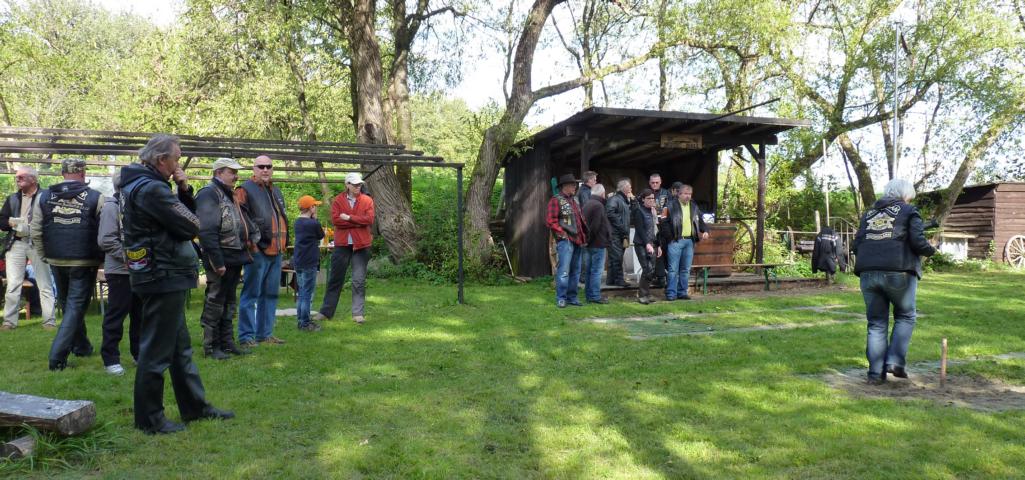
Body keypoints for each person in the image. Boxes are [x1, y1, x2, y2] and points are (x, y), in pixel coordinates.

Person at [120, 134, 233, 434]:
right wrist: (183, 191)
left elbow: (183, 220)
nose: (178, 165)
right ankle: (150, 419)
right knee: (156, 351)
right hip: (162, 272)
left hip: (159, 271)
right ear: (161, 160)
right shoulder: (152, 189)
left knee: (180, 349)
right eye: (176, 158)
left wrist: (183, 189)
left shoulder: (139, 184)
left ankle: (195, 407)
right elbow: (192, 224)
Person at [852, 178, 936, 385]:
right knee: (906, 316)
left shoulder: (869, 214)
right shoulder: (909, 211)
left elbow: (856, 245)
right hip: (899, 271)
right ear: (905, 195)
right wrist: (931, 250)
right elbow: (918, 242)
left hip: (868, 273)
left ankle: (875, 374)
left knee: (876, 323)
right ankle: (895, 362)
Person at [37, 158, 105, 370]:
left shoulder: (43, 196)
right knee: (75, 306)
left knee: (68, 305)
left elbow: (35, 229)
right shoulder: (96, 197)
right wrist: (101, 258)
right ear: (83, 173)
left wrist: (44, 255)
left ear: (62, 173)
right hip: (84, 260)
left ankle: (82, 346)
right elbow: (103, 231)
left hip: (56, 259)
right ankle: (57, 357)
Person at [196, 158, 254, 360]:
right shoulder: (208, 193)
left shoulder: (228, 193)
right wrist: (217, 261)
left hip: (234, 256)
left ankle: (227, 343)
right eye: (232, 172)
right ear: (219, 173)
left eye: (236, 172)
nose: (236, 176)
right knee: (215, 301)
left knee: (229, 301)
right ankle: (211, 346)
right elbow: (206, 230)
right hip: (220, 257)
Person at [235, 155, 289, 346]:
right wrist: (252, 245)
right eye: (261, 166)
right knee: (251, 295)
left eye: (268, 166)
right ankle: (246, 336)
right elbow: (240, 219)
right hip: (257, 252)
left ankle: (265, 334)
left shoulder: (276, 190)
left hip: (277, 252)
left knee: (271, 295)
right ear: (254, 169)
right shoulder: (244, 189)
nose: (265, 169)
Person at [1, 166, 56, 331]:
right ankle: (9, 322)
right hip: (16, 243)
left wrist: (35, 229)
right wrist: (10, 222)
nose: (17, 180)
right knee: (13, 285)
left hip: (38, 243)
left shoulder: (47, 196)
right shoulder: (12, 199)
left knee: (45, 284)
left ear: (33, 179)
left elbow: (53, 220)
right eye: (16, 177)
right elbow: (1, 221)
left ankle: (49, 321)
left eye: (21, 177)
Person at [316, 173, 375, 324]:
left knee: (358, 280)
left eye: (359, 184)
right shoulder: (338, 200)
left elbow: (369, 219)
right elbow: (336, 221)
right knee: (335, 279)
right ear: (347, 185)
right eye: (354, 184)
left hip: (361, 245)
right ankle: (326, 312)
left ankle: (358, 314)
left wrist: (349, 218)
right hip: (342, 245)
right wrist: (358, 222)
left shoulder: (367, 200)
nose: (358, 186)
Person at [97, 171, 140, 375]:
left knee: (140, 316)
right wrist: (130, 258)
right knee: (116, 315)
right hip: (120, 272)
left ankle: (139, 354)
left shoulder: (136, 206)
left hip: (140, 271)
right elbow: (106, 240)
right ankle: (111, 358)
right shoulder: (111, 207)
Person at [659, 182, 709, 301]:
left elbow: (700, 221)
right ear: (679, 194)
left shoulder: (693, 206)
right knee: (673, 269)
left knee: (686, 269)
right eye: (685, 194)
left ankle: (682, 292)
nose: (688, 196)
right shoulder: (669, 206)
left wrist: (705, 230)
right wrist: (671, 238)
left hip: (689, 241)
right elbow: (663, 223)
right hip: (675, 241)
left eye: (690, 194)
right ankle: (671, 294)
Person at [546, 174, 587, 308]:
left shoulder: (574, 201)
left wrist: (585, 235)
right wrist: (562, 233)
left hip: (578, 240)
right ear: (565, 186)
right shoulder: (556, 200)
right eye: (573, 185)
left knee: (575, 271)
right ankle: (561, 298)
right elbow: (550, 221)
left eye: (575, 185)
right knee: (564, 271)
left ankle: (572, 297)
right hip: (565, 241)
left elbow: (579, 221)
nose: (575, 187)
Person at [294, 195, 325, 331]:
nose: (316, 208)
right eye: (315, 206)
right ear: (311, 208)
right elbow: (321, 235)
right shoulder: (313, 223)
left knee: (301, 292)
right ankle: (305, 323)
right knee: (307, 293)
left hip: (299, 261)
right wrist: (315, 218)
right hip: (309, 261)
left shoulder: (297, 222)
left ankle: (301, 320)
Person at [580, 183, 609, 304]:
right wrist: (589, 240)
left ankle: (589, 295)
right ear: (602, 194)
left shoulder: (587, 204)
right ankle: (595, 296)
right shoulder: (598, 205)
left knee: (589, 271)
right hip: (597, 243)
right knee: (596, 271)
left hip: (588, 243)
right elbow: (595, 226)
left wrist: (586, 240)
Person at [632, 189, 662, 304]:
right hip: (641, 244)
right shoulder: (639, 211)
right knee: (647, 269)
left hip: (653, 244)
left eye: (653, 198)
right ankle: (642, 295)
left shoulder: (653, 212)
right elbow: (640, 230)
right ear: (643, 199)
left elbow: (656, 230)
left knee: (651, 270)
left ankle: (647, 293)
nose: (651, 200)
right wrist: (647, 244)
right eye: (649, 198)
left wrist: (658, 245)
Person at [605, 178, 634, 287]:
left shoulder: (625, 200)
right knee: (617, 257)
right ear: (624, 188)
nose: (631, 189)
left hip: (621, 233)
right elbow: (610, 213)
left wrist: (633, 200)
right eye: (629, 187)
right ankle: (619, 280)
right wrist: (621, 226)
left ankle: (610, 280)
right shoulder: (614, 199)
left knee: (614, 257)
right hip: (615, 233)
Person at [648, 173, 671, 288]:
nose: (655, 184)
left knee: (664, 251)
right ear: (649, 182)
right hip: (651, 226)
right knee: (655, 251)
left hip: (664, 226)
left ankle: (664, 277)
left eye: (657, 182)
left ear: (660, 182)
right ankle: (658, 277)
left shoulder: (666, 193)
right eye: (653, 182)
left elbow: (670, 208)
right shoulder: (646, 193)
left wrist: (663, 218)